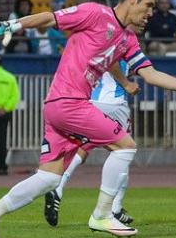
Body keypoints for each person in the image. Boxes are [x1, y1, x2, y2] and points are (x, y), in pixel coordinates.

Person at [0, 0, 176, 238]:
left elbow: (151, 75)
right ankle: (102, 214)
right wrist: (11, 25)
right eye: (148, 6)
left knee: (48, 179)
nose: (151, 13)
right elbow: (51, 18)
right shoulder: (95, 13)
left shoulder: (128, 40)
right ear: (132, 0)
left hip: (58, 106)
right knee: (126, 146)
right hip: (69, 102)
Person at [45, 60, 138, 227]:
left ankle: (58, 187)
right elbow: (120, 64)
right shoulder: (122, 42)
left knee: (83, 146)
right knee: (125, 150)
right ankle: (115, 208)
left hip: (93, 102)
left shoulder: (95, 43)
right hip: (115, 104)